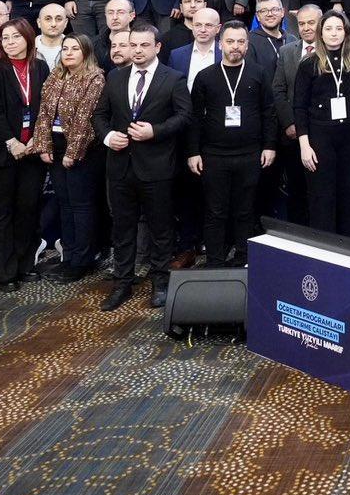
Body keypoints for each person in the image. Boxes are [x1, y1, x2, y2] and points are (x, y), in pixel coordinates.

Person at [96, 22, 193, 310]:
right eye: (133, 45)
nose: (137, 50)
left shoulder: (173, 78)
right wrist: (108, 136)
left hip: (157, 167)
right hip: (120, 167)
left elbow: (185, 117)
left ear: (157, 47)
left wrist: (156, 131)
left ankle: (160, 283)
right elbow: (100, 115)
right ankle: (122, 283)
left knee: (160, 229)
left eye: (144, 45)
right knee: (122, 229)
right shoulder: (115, 77)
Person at [188, 21, 279, 267]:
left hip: (250, 154)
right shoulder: (205, 76)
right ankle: (215, 261)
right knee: (215, 211)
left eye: (240, 42)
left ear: (247, 45)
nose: (235, 46)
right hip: (214, 155)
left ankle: (243, 258)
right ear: (220, 44)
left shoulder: (259, 73)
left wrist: (269, 145)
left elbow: (269, 112)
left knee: (245, 210)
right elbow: (195, 118)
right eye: (230, 41)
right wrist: (193, 151)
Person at [0, 18, 49, 291]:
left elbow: (46, 107)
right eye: (5, 38)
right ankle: (4, 272)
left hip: (32, 152)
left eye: (15, 37)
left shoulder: (40, 67)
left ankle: (24, 265)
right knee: (3, 212)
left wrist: (34, 139)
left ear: (28, 38)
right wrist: (12, 142)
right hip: (4, 152)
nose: (9, 42)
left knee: (28, 209)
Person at [35, 33, 105, 281]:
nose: (69, 53)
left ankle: (83, 260)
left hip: (82, 150)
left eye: (75, 48)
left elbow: (85, 118)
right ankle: (69, 256)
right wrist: (43, 145)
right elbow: (44, 112)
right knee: (64, 203)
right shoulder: (55, 76)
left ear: (85, 52)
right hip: (55, 147)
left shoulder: (94, 78)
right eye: (65, 48)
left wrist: (72, 153)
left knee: (81, 205)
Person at [295, 12, 350, 236]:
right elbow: (299, 107)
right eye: (328, 29)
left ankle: (349, 247)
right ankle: (324, 249)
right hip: (320, 137)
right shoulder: (309, 64)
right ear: (321, 33)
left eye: (339, 28)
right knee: (322, 196)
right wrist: (304, 145)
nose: (334, 33)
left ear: (346, 32)